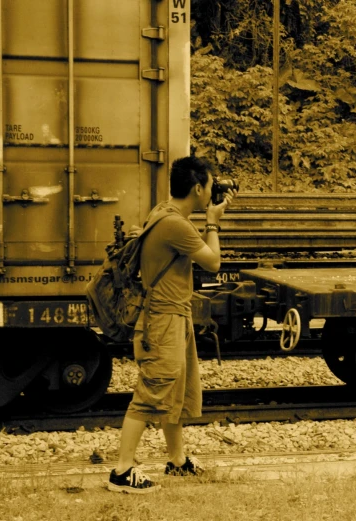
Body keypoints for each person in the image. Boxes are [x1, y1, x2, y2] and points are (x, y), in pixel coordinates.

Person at [107, 156, 237, 494]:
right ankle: (122, 471)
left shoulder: (164, 212)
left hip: (173, 316)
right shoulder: (176, 225)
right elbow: (213, 261)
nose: (213, 191)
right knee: (151, 394)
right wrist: (213, 222)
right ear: (198, 188)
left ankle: (177, 461)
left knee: (174, 393)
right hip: (162, 320)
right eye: (211, 185)